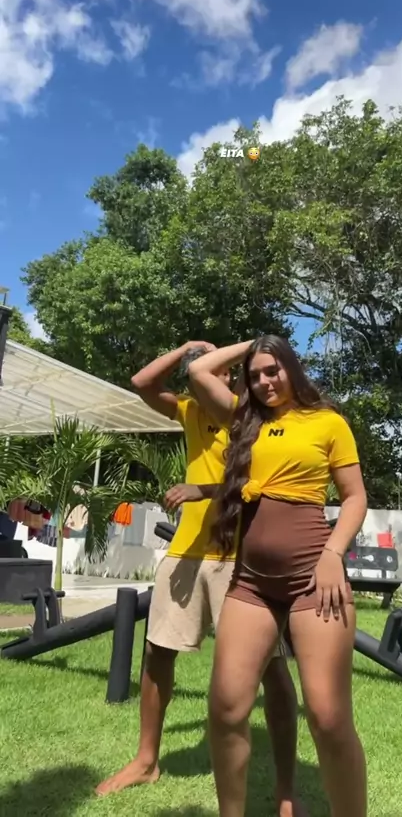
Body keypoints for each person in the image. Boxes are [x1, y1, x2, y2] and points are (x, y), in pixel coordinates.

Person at [96, 341, 306, 817]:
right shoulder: (190, 411)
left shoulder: (258, 418)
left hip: (241, 554)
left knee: (272, 667)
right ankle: (146, 761)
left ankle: (287, 790)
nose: (217, 374)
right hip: (186, 550)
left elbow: (265, 485)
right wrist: (186, 349)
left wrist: (203, 488)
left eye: (228, 369)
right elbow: (142, 382)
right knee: (157, 652)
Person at [188, 335, 368, 817]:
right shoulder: (244, 420)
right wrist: (254, 342)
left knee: (328, 719)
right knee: (226, 708)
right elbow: (199, 372)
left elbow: (354, 496)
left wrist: (333, 552)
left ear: (292, 367)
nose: (265, 381)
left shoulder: (327, 422)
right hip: (252, 584)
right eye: (255, 375)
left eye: (273, 370)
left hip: (315, 578)